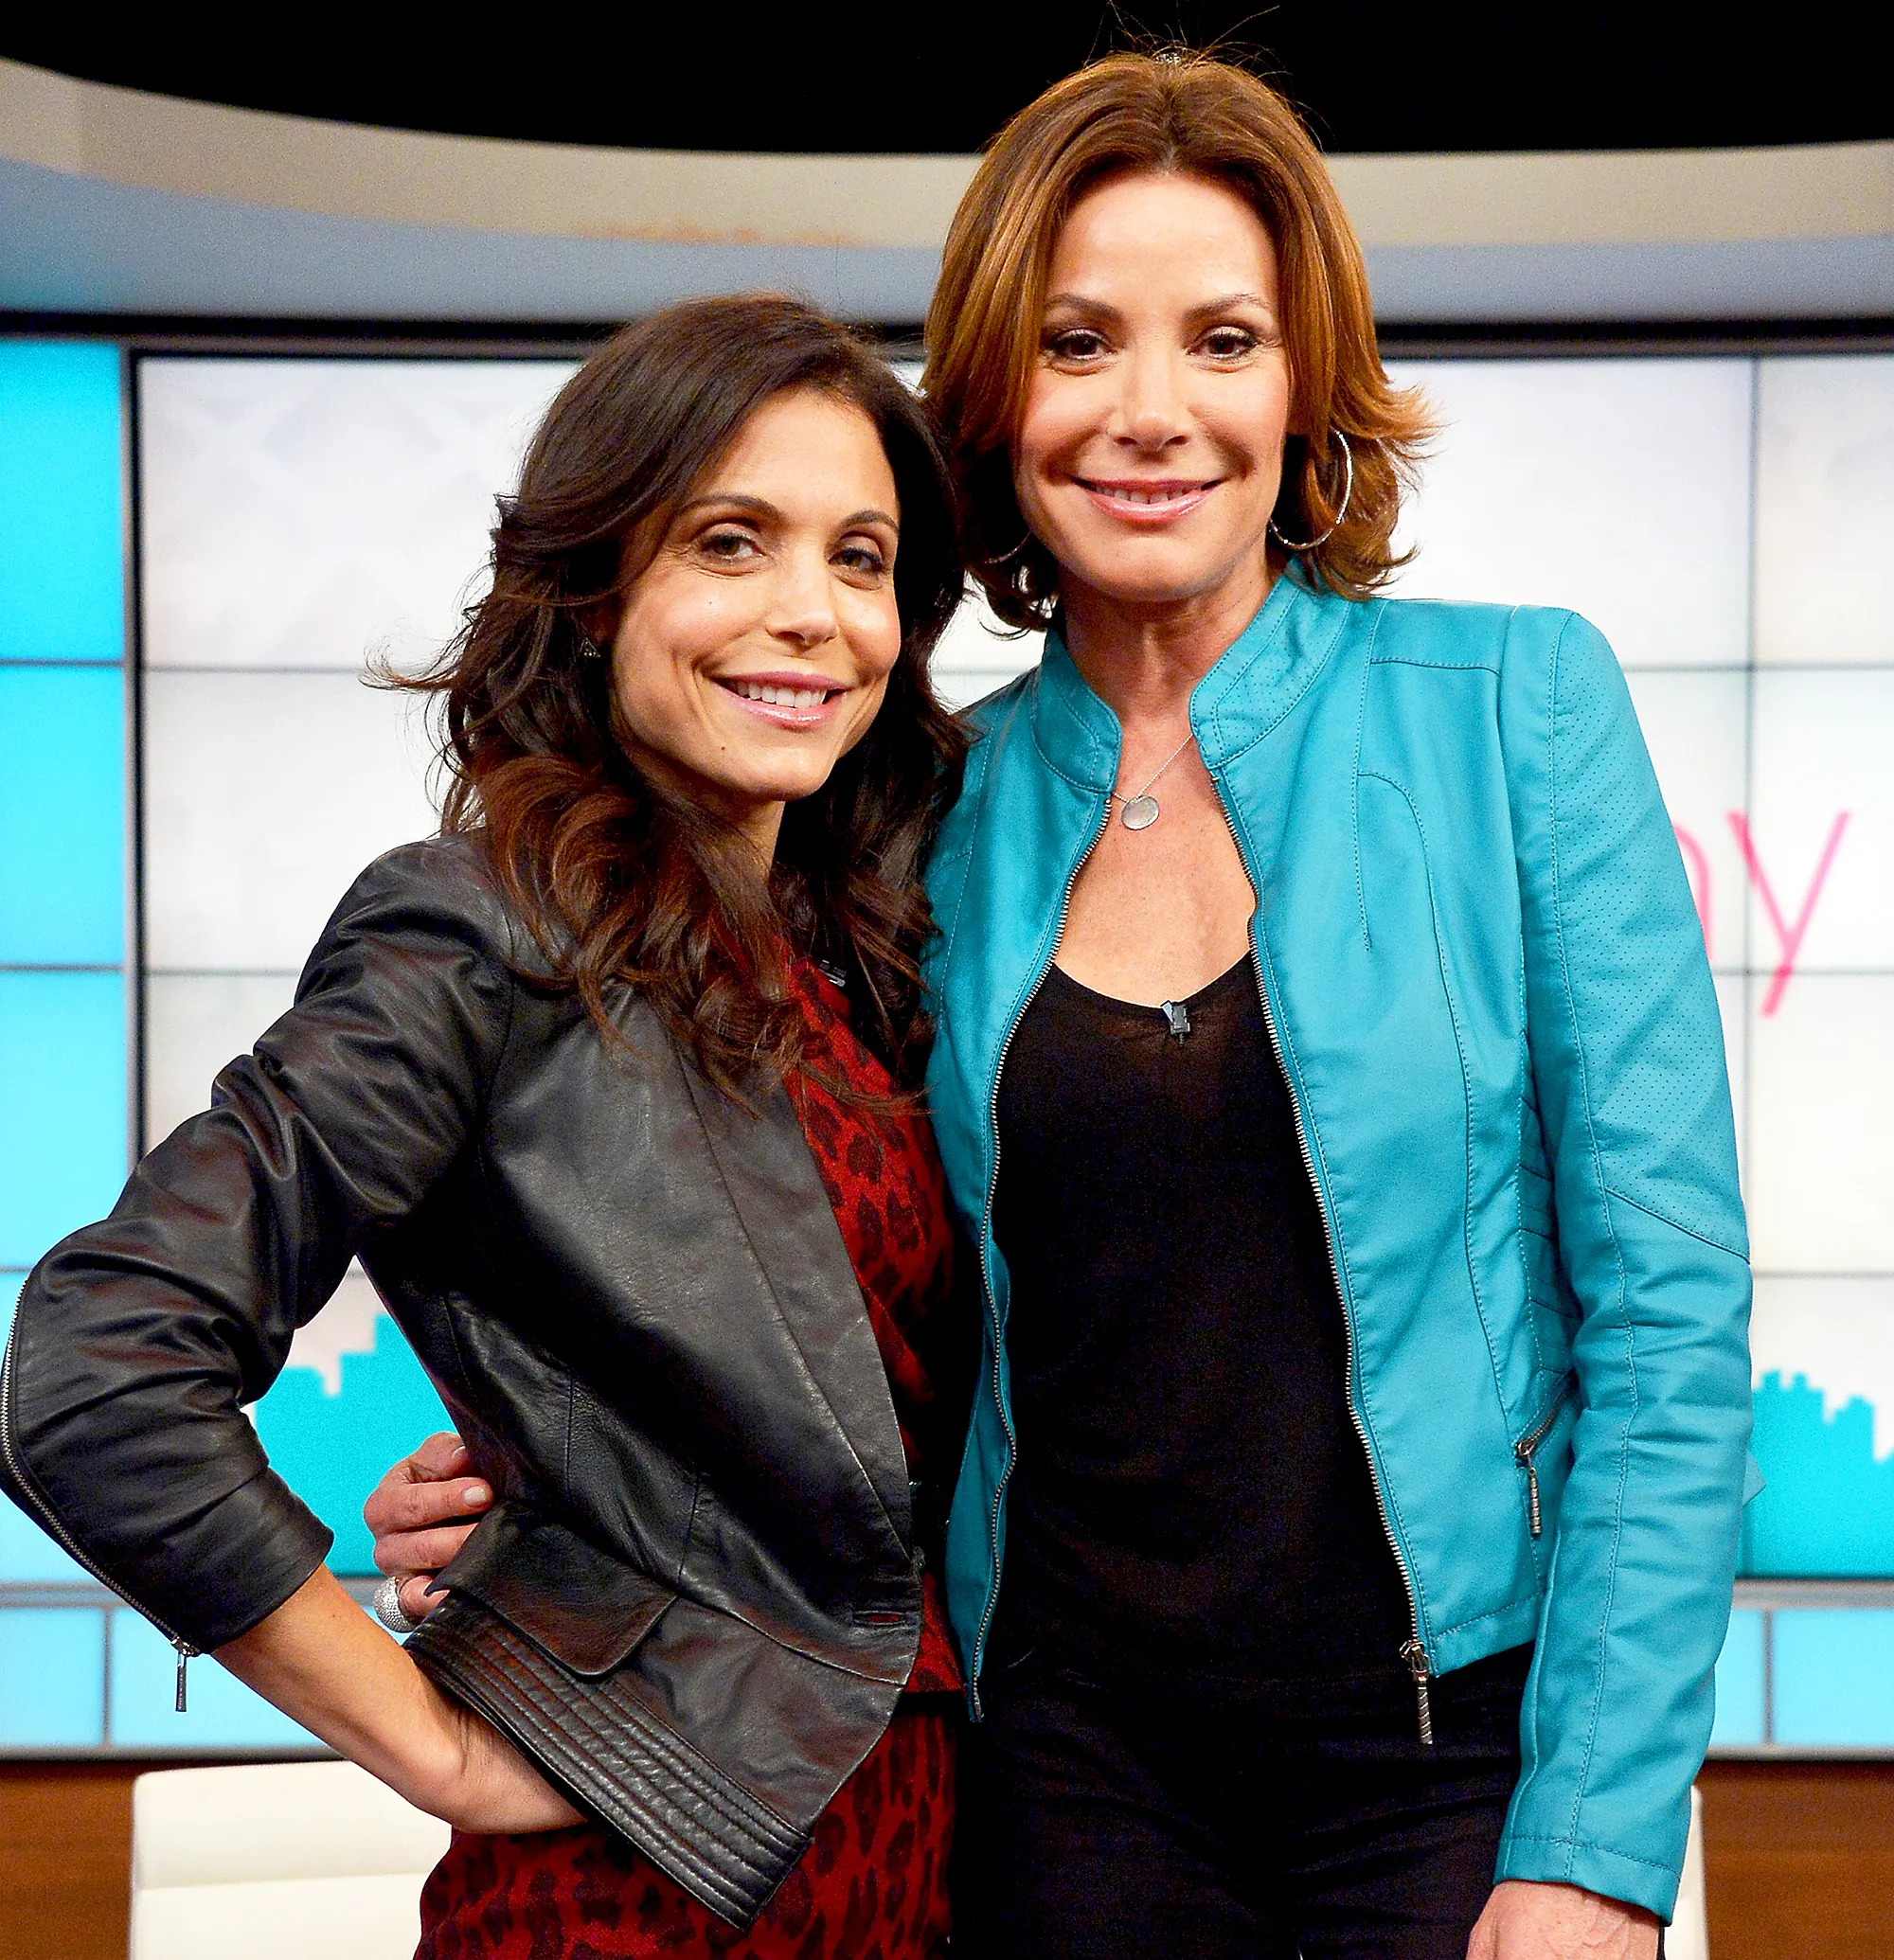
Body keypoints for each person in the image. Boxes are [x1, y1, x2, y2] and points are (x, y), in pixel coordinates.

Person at [369, 50, 1753, 1960]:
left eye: (1223, 340)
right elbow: (808, 1299)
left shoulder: (1515, 708)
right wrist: (547, 1482)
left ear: (1302, 383)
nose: (1150, 410)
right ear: (997, 400)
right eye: (1081, 342)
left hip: (1455, 1760)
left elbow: (1667, 1316)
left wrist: (1595, 1842)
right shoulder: (907, 810)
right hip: (1067, 1774)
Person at [0, 294, 974, 1960]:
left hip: (910, 1851)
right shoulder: (479, 930)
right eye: (731, 542)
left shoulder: (855, 962)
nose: (812, 612)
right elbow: (99, 1364)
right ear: (595, 591)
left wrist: (551, 1506)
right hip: (640, 1888)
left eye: (861, 558)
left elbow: (818, 1447)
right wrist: (429, 1738)